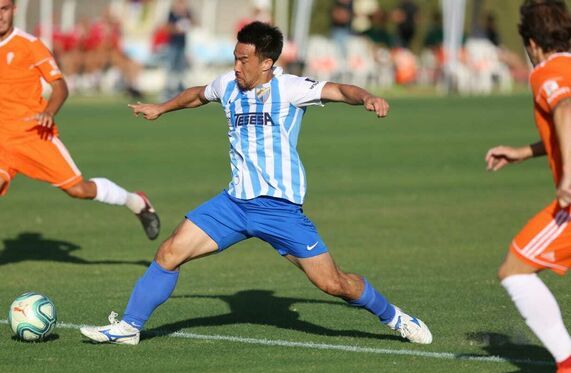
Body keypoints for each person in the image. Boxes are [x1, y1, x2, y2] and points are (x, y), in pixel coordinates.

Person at [80, 21, 432, 346]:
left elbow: (339, 89)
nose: (236, 66)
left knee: (333, 283)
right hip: (233, 205)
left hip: (280, 210)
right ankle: (129, 327)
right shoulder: (229, 86)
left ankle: (395, 317)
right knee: (169, 253)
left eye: (244, 59)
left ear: (266, 63)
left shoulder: (291, 88)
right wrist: (161, 107)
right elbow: (198, 94)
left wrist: (367, 97)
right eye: (235, 58)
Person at [0, 0, 160, 284]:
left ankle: (136, 202)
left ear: (13, 10)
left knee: (79, 190)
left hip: (34, 136)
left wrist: (48, 112)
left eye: (4, 9)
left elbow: (60, 86)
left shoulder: (30, 44)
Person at [484, 1, 571, 373]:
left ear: (532, 43)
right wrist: (525, 151)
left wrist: (569, 175)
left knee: (516, 268)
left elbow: (566, 109)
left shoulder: (546, 72)